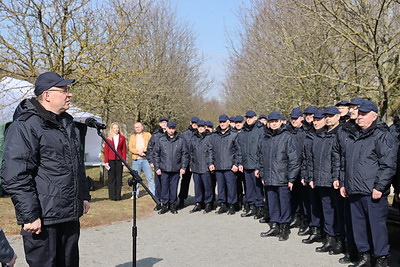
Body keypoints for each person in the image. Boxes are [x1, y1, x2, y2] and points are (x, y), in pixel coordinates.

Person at [1, 71, 90, 266]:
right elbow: (14, 175)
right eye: (64, 90)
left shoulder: (68, 125)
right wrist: (30, 215)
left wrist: (83, 195)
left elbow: (77, 165)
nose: (70, 94)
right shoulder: (25, 126)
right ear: (47, 95)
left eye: (69, 90)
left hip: (69, 215)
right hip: (43, 219)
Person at [333, 100, 397, 267]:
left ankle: (381, 259)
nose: (359, 117)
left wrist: (379, 186)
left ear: (374, 116)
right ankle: (364, 256)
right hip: (354, 190)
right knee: (358, 226)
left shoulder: (382, 135)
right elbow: (346, 162)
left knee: (377, 228)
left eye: (363, 114)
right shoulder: (354, 136)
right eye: (359, 114)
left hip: (372, 192)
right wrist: (344, 183)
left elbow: (388, 164)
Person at [256, 112, 300, 241]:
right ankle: (274, 225)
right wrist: (263, 174)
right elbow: (260, 158)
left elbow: (294, 160)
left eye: (276, 121)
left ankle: (284, 227)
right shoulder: (264, 138)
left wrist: (291, 178)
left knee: (284, 203)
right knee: (272, 203)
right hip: (269, 177)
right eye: (271, 121)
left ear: (281, 122)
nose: (274, 124)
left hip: (283, 177)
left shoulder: (287, 137)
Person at [154, 121, 189, 214]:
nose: (171, 131)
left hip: (176, 168)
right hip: (164, 168)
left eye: (173, 129)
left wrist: (183, 167)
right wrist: (157, 167)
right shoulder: (161, 140)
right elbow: (156, 154)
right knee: (164, 187)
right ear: (167, 129)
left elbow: (185, 155)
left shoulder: (180, 140)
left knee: (174, 187)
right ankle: (165, 204)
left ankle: (173, 204)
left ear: (175, 129)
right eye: (170, 128)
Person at [209, 114, 239, 215]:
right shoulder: (214, 135)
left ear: (228, 122)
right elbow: (210, 150)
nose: (222, 124)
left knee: (231, 186)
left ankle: (232, 205)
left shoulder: (234, 134)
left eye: (224, 122)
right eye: (220, 122)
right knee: (220, 187)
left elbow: (238, 151)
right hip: (218, 165)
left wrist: (236, 164)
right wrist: (211, 163)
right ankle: (223, 204)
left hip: (230, 166)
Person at [238, 110, 265, 219]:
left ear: (255, 118)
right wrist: (240, 162)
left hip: (256, 164)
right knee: (248, 188)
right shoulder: (243, 132)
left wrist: (259, 166)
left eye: (250, 117)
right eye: (247, 117)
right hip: (246, 164)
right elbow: (239, 149)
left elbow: (262, 149)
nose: (248, 119)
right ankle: (251, 206)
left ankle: (260, 208)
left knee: (258, 188)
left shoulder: (260, 130)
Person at [189, 120, 213, 213]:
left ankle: (208, 203)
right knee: (197, 186)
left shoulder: (209, 137)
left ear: (205, 127)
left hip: (206, 166)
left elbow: (211, 152)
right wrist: (191, 165)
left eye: (202, 127)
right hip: (196, 166)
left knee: (207, 186)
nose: (201, 128)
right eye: (199, 127)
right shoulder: (193, 138)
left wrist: (210, 163)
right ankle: (198, 203)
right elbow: (191, 153)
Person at [147, 117, 169, 210]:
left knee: (167, 183)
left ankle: (167, 201)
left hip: (168, 163)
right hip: (158, 163)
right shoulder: (155, 135)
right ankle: (158, 201)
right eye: (162, 122)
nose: (164, 124)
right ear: (160, 124)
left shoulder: (171, 135)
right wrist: (151, 161)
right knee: (158, 183)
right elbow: (150, 148)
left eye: (166, 122)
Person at [129, 122, 155, 198]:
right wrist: (138, 152)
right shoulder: (132, 137)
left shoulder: (148, 135)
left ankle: (153, 193)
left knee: (149, 177)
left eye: (139, 127)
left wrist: (143, 150)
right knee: (136, 178)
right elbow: (130, 148)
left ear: (142, 127)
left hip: (146, 159)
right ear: (134, 129)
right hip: (136, 159)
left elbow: (151, 145)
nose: (137, 128)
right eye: (136, 127)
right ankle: (135, 194)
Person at [178, 116, 199, 209]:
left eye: (196, 123)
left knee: (198, 181)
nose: (195, 124)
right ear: (190, 123)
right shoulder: (185, 134)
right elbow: (182, 148)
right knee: (185, 181)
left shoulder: (200, 133)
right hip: (187, 161)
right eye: (193, 123)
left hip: (197, 161)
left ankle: (200, 200)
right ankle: (182, 199)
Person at [104, 122, 127, 201]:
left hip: (119, 160)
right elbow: (106, 150)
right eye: (114, 128)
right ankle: (112, 196)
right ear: (111, 129)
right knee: (111, 178)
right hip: (110, 160)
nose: (116, 129)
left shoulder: (122, 138)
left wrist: (123, 160)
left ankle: (118, 196)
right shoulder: (108, 138)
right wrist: (106, 161)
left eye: (117, 128)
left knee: (118, 178)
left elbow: (124, 150)